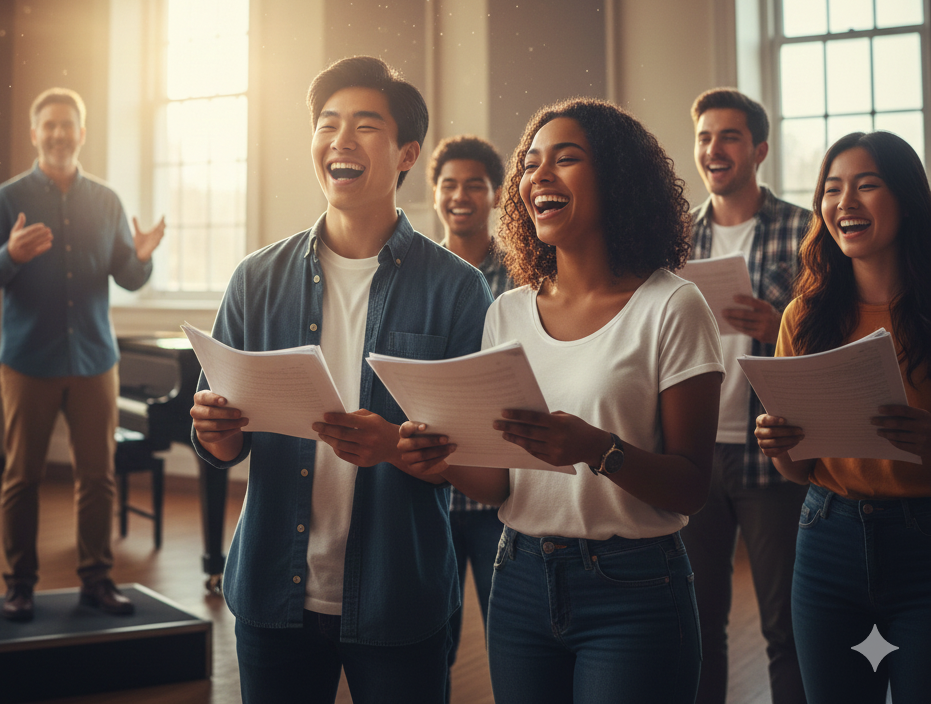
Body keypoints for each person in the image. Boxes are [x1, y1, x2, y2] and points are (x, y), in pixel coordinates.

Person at [400, 98, 724, 704]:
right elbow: (501, 485)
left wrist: (596, 449)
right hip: (518, 576)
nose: (538, 176)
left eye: (565, 159)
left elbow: (691, 487)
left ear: (617, 177)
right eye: (530, 164)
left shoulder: (672, 306)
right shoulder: (508, 312)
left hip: (635, 584)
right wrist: (434, 459)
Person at [190, 56, 492, 704]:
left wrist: (396, 448)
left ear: (408, 153)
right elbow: (222, 444)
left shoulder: (459, 291)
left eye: (365, 126)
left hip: (400, 599)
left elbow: (478, 463)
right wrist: (214, 432)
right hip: (273, 592)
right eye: (328, 124)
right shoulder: (254, 279)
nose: (341, 140)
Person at [0, 88, 165, 621]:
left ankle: (97, 580)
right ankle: (20, 585)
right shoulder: (7, 200)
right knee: (23, 476)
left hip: (95, 361)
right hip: (28, 360)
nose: (58, 134)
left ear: (82, 133)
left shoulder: (106, 201)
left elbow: (127, 275)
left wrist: (142, 258)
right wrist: (8, 254)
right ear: (36, 134)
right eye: (48, 126)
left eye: (67, 125)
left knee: (98, 476)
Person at [755, 131, 931, 704]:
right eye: (832, 189)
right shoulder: (803, 316)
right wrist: (779, 442)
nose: (844, 202)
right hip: (826, 536)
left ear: (905, 199)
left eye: (866, 185)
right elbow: (798, 473)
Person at [680, 88, 810, 704]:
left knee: (786, 626)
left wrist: (779, 321)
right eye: (705, 137)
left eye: (729, 136)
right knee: (698, 626)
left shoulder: (804, 230)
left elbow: (837, 334)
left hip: (771, 449)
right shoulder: (677, 237)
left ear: (758, 149)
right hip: (693, 451)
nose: (714, 149)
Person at [428, 135, 512, 690]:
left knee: (513, 641)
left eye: (474, 185)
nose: (461, 196)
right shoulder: (415, 275)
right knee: (431, 641)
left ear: (497, 195)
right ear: (434, 193)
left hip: (501, 492)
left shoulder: (527, 276)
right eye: (449, 185)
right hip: (425, 485)